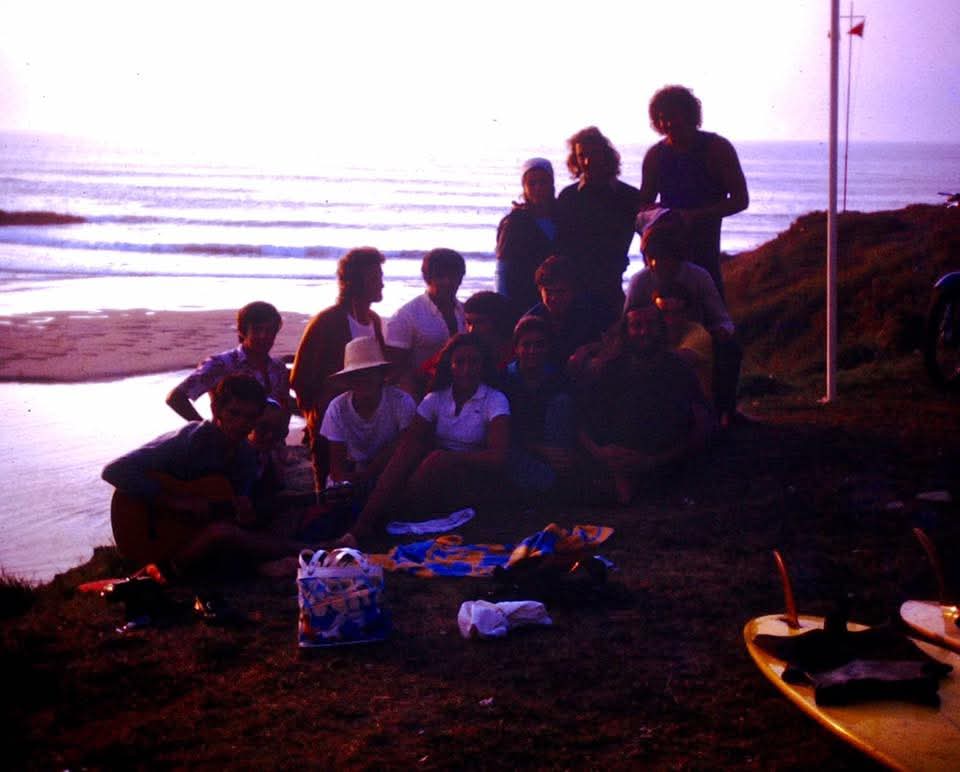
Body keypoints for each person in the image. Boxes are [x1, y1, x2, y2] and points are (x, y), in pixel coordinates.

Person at [103, 374, 302, 573]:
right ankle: (302, 552)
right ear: (216, 411)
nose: (241, 423)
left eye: (250, 417)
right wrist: (172, 501)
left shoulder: (247, 457)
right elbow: (114, 470)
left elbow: (235, 508)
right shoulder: (188, 441)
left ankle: (302, 553)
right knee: (223, 533)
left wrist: (244, 514)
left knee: (255, 527)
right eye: (234, 413)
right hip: (155, 540)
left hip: (193, 536)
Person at [340, 333, 510, 547]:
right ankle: (368, 520)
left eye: (473, 362)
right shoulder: (436, 398)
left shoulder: (494, 399)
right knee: (408, 450)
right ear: (451, 365)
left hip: (473, 478)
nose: (467, 369)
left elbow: (498, 457)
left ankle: (381, 516)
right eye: (460, 362)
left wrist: (451, 459)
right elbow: (407, 444)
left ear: (483, 365)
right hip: (434, 473)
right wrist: (369, 472)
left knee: (433, 461)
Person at [577, 305, 714, 505]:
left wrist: (654, 460)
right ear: (627, 331)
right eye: (636, 325)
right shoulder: (610, 369)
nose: (644, 332)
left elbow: (701, 423)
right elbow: (581, 419)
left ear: (660, 328)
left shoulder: (678, 369)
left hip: (667, 458)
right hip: (617, 458)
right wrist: (601, 453)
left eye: (650, 324)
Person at [625, 212, 742, 427]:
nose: (655, 265)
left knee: (730, 350)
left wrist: (718, 333)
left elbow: (721, 318)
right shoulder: (640, 281)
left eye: (663, 260)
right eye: (651, 259)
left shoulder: (699, 277)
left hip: (692, 336)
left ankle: (724, 410)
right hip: (653, 337)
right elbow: (626, 320)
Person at [290, 247, 387, 493]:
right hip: (332, 413)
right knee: (331, 488)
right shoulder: (327, 321)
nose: (382, 284)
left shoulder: (374, 320)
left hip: (368, 411)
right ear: (355, 283)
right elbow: (299, 378)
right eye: (375, 279)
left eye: (381, 277)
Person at [638, 85, 749, 299]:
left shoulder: (717, 148)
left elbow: (740, 200)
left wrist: (694, 216)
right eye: (662, 118)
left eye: (674, 116)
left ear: (690, 114)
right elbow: (644, 205)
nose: (668, 123)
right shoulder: (655, 155)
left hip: (704, 246)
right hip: (665, 253)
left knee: (709, 311)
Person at [555, 126, 643, 325]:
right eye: (581, 156)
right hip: (574, 290)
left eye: (593, 154)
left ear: (606, 156)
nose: (587, 161)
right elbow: (559, 245)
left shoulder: (628, 196)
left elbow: (649, 241)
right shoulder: (568, 197)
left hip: (610, 286)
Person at [319, 336, 417, 497]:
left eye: (369, 373)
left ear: (381, 375)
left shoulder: (401, 402)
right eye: (357, 374)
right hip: (353, 470)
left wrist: (372, 474)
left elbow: (406, 446)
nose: (363, 379)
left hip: (392, 467)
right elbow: (337, 466)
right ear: (348, 380)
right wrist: (352, 480)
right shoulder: (337, 408)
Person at [166, 301, 291, 425]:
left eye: (270, 330)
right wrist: (205, 430)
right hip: (230, 443)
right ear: (242, 331)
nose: (264, 336)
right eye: (257, 330)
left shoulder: (277, 367)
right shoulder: (222, 364)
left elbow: (284, 405)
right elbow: (176, 398)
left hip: (273, 443)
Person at [499, 315, 576, 499]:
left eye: (539, 344)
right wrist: (539, 450)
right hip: (520, 447)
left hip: (552, 445)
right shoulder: (504, 380)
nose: (532, 351)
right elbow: (505, 433)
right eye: (526, 345)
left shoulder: (557, 377)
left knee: (562, 402)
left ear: (548, 347)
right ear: (516, 348)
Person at [385, 247, 467, 397]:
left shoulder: (464, 311)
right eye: (441, 277)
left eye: (453, 276)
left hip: (461, 391)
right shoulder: (406, 315)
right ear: (427, 278)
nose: (448, 282)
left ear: (461, 278)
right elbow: (396, 370)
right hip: (422, 392)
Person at [495, 157, 559, 314]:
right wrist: (502, 304)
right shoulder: (513, 222)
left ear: (551, 184)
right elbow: (502, 269)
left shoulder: (563, 217)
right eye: (532, 183)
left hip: (558, 300)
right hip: (522, 300)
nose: (538, 188)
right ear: (524, 187)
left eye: (543, 182)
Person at [526, 255, 608, 372]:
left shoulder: (590, 309)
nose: (554, 298)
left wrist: (587, 349)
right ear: (540, 290)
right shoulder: (532, 320)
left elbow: (614, 340)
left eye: (560, 291)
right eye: (548, 291)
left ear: (573, 290)